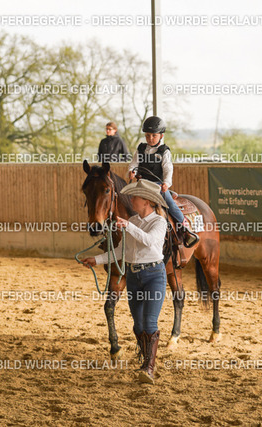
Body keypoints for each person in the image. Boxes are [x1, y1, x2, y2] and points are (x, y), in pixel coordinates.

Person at [80, 179, 168, 384]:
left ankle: (149, 368)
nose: (132, 199)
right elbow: (121, 251)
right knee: (138, 325)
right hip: (134, 276)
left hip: (154, 275)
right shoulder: (134, 220)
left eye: (135, 197)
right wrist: (97, 259)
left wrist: (128, 225)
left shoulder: (159, 222)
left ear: (146, 201)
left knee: (149, 322)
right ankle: (146, 360)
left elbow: (149, 241)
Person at [127, 116, 199, 248]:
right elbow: (133, 163)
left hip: (158, 186)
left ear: (161, 135)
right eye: (147, 135)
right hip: (142, 185)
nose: (150, 138)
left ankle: (184, 227)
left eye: (154, 135)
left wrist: (166, 183)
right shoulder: (141, 149)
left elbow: (168, 168)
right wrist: (131, 171)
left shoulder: (164, 151)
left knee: (170, 204)